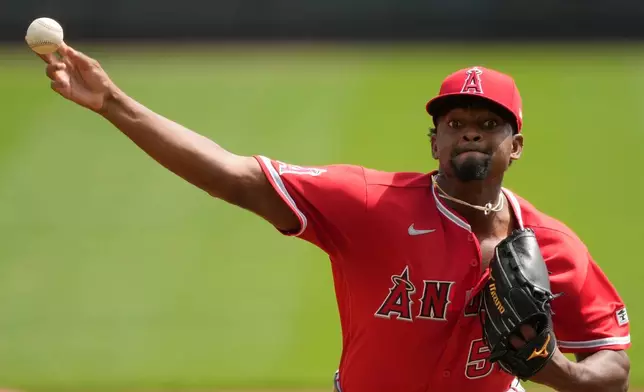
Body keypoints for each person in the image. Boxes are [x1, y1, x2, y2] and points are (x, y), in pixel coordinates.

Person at [37, 44, 631, 392]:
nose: (470, 129)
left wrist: (558, 371)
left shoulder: (551, 244)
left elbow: (615, 363)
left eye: (488, 121)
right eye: (454, 121)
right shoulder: (372, 203)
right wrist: (113, 102)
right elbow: (231, 175)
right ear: (433, 140)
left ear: (516, 144)